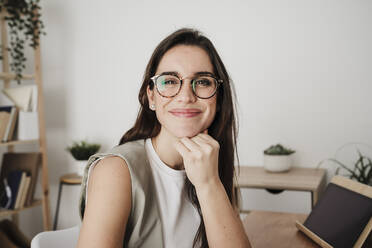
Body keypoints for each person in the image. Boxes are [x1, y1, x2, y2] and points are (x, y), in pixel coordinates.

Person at [77, 28, 251, 248]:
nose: (186, 96)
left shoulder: (212, 163)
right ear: (151, 97)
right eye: (169, 81)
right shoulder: (115, 171)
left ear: (218, 98)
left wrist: (209, 184)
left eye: (203, 81)